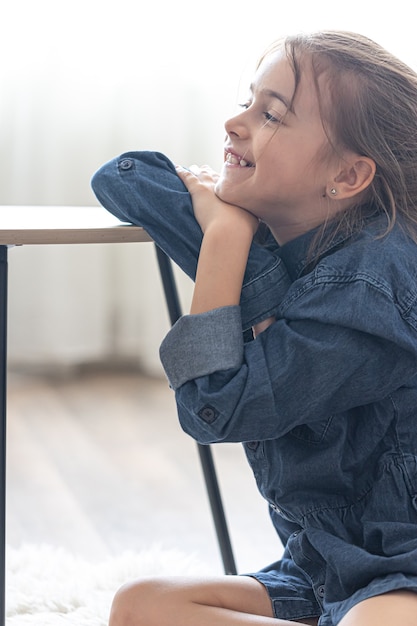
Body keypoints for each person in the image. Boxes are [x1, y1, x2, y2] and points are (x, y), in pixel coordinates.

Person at [91, 30, 417, 626]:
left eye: (271, 115)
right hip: (327, 568)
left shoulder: (372, 282)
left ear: (347, 177)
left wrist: (224, 237)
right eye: (248, 100)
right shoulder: (282, 238)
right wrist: (240, 238)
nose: (234, 122)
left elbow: (217, 409)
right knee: (140, 606)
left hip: (405, 572)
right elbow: (125, 176)